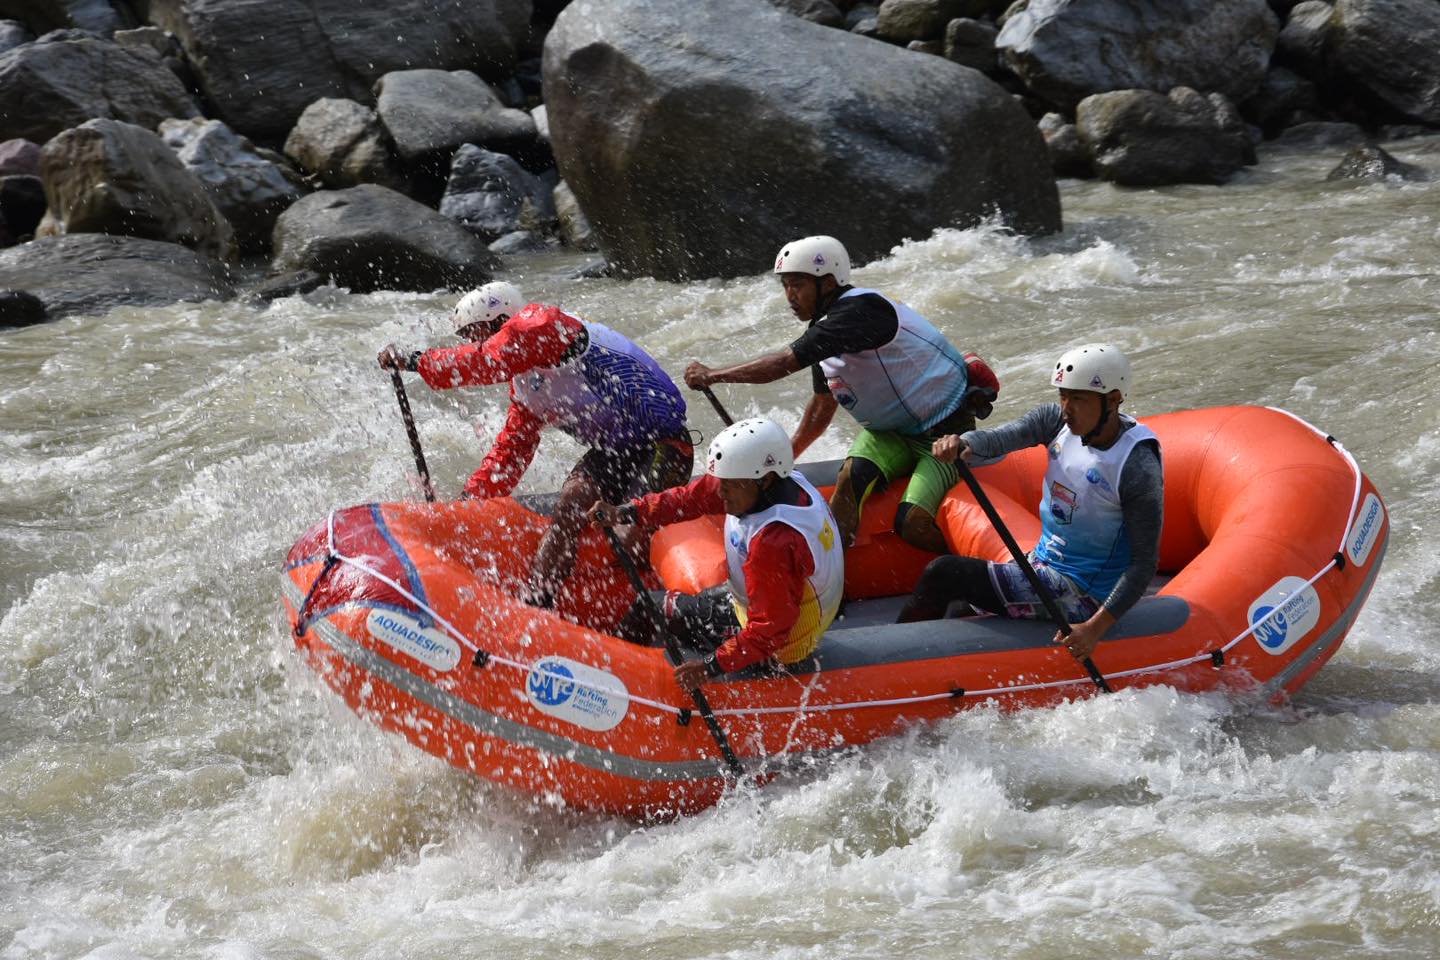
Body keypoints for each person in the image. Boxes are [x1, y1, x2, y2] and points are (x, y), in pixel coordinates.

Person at [378, 282, 693, 607]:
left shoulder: (545, 324)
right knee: (570, 503)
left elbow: (488, 359)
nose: (472, 342)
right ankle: (537, 604)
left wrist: (415, 361)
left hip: (665, 446)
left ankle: (643, 608)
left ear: (501, 320)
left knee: (629, 531)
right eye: (466, 337)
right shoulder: (527, 390)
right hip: (613, 454)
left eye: (475, 332)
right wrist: (464, 506)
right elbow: (509, 457)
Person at [683, 235, 1000, 556]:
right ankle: (833, 579)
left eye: (798, 285)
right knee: (847, 483)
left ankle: (966, 576)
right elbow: (823, 405)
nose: (790, 296)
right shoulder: (825, 332)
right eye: (785, 286)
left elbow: (781, 364)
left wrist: (714, 375)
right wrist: (787, 458)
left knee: (912, 522)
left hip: (945, 435)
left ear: (829, 282)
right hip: (890, 435)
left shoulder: (858, 311)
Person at [896, 343, 1164, 663]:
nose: (1067, 407)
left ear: (1113, 400)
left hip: (1084, 596)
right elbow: (1002, 437)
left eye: (1078, 398)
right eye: (1063, 395)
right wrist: (963, 443)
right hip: (1040, 565)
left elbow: (1144, 564)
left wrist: (1093, 629)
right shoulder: (1055, 422)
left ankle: (890, 658)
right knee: (960, 607)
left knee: (945, 573)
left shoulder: (1136, 464)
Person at [589, 418, 844, 692]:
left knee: (649, 606)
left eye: (729, 485)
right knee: (687, 607)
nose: (720, 492)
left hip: (781, 645)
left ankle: (607, 681)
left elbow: (768, 633)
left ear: (765, 479)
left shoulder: (773, 542)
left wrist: (711, 666)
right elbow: (689, 498)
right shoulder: (785, 482)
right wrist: (627, 512)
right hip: (772, 606)